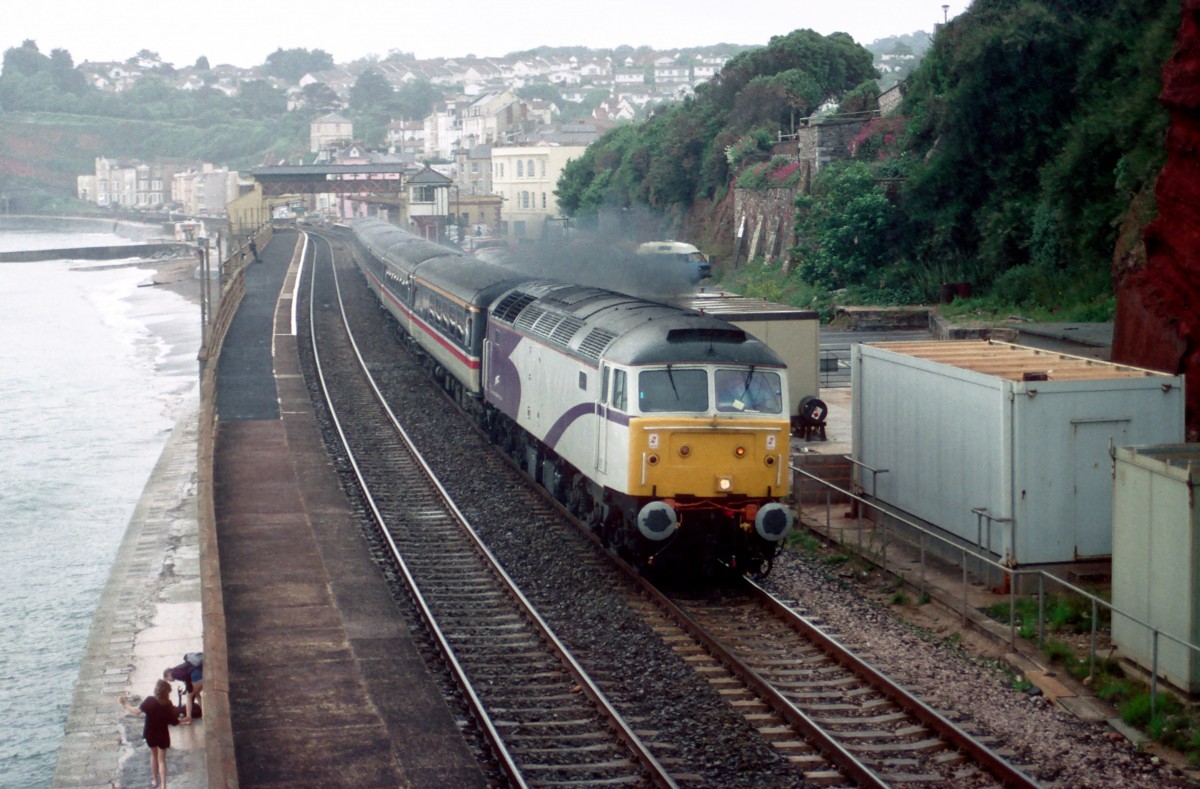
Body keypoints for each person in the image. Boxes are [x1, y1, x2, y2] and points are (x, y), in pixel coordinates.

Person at [118, 679, 179, 788]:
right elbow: (173, 721)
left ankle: (155, 780)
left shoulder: (150, 701)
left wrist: (124, 704)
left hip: (150, 732)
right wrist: (183, 720)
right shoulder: (168, 704)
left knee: (153, 756)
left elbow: (137, 712)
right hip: (163, 734)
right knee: (162, 760)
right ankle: (164, 785)